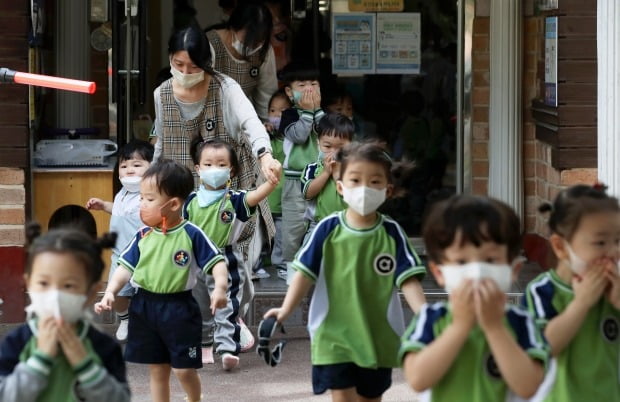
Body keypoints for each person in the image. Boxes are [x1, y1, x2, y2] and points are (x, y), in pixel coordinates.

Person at [264, 142, 427, 401]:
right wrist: (285, 309)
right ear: (340, 187)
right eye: (355, 180)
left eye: (374, 182)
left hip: (377, 336)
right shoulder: (327, 229)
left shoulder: (392, 232)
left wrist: (426, 315)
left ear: (388, 190)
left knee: (370, 397)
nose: (364, 188)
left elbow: (409, 280)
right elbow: (304, 273)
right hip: (334, 335)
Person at [152, 24, 280, 327]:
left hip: (229, 197)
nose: (184, 71)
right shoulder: (162, 94)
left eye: (193, 66)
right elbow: (161, 145)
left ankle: (233, 321)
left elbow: (251, 123)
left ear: (206, 63)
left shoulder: (225, 88)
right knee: (189, 266)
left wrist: (266, 155)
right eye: (178, 64)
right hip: (185, 199)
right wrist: (147, 186)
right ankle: (208, 329)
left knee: (236, 263)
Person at [94, 160, 229, 402]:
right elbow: (125, 267)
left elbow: (217, 262)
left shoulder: (192, 234)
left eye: (148, 199)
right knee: (157, 368)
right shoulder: (143, 235)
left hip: (179, 309)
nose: (141, 205)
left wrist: (220, 287)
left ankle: (194, 398)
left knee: (183, 369)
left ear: (174, 204)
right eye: (141, 199)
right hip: (144, 306)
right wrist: (110, 292)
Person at [400, 194, 549, 401]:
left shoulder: (521, 321)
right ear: (439, 273)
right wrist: (459, 326)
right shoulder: (430, 318)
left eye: (490, 259)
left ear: (513, 270)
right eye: (461, 262)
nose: (476, 271)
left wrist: (495, 327)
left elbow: (529, 386)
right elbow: (417, 379)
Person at [0, 225, 130, 401]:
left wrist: (84, 364)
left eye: (68, 285)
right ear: (29, 283)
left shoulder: (103, 346)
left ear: (92, 293)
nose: (55, 295)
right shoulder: (17, 342)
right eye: (44, 283)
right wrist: (39, 360)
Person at [183, 138, 280, 370]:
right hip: (197, 262)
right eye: (207, 164)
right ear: (197, 169)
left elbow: (256, 195)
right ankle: (204, 346)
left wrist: (272, 183)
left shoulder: (235, 199)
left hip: (226, 260)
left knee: (226, 306)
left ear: (231, 170)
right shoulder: (190, 201)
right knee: (199, 306)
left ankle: (227, 348)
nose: (213, 169)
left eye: (220, 164)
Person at [522, 184, 620, 401]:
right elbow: (542, 348)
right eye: (601, 242)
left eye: (618, 241)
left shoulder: (614, 290)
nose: (614, 252)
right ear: (560, 247)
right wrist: (581, 304)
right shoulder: (542, 292)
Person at [86, 139, 153, 342]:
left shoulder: (150, 195)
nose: (129, 170)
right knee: (117, 294)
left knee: (148, 295)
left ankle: (149, 326)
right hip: (120, 257)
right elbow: (119, 210)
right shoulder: (122, 193)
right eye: (124, 166)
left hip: (146, 256)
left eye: (136, 164)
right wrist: (103, 205)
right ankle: (125, 319)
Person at [278, 62, 323, 281]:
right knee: (294, 225)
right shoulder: (288, 115)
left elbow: (327, 133)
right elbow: (299, 136)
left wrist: (318, 111)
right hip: (295, 180)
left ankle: (315, 265)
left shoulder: (323, 114)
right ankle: (290, 266)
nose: (308, 89)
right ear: (289, 91)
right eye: (302, 84)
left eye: (313, 84)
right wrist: (307, 113)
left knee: (319, 221)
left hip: (321, 178)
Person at [205, 1, 277, 121]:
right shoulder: (208, 45)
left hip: (243, 121)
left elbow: (266, 96)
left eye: (259, 41)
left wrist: (267, 126)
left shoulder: (264, 51)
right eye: (248, 40)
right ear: (233, 27)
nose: (253, 46)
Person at [300, 113, 354, 242]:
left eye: (340, 147)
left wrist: (337, 175)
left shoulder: (354, 170)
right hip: (318, 225)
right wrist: (325, 173)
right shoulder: (312, 168)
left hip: (348, 225)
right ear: (318, 144)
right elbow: (307, 194)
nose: (333, 152)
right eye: (327, 146)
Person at [260, 89, 291, 279]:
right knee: (262, 234)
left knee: (281, 235)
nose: (276, 116)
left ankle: (280, 264)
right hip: (266, 196)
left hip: (284, 198)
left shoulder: (292, 140)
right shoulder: (264, 138)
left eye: (282, 111)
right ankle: (258, 263)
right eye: (272, 111)